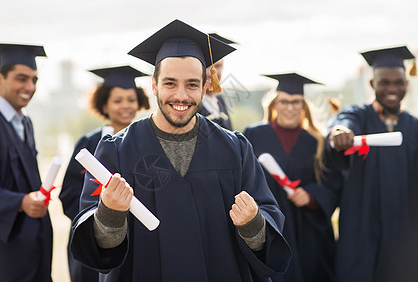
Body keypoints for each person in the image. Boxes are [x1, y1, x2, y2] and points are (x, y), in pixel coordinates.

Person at [70, 19, 292, 282]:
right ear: (153, 85)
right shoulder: (116, 153)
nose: (181, 95)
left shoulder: (235, 150)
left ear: (205, 86)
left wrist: (253, 223)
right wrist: (109, 212)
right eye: (170, 83)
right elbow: (98, 251)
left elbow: (267, 228)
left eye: (192, 84)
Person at [327, 46, 418, 282]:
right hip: (361, 230)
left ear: (406, 84)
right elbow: (343, 122)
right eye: (384, 82)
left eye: (398, 82)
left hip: (403, 235)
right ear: (371, 84)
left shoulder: (414, 127)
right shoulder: (358, 116)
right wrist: (340, 132)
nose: (391, 89)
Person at [244, 73, 342, 282]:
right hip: (269, 224)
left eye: (296, 102)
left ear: (303, 106)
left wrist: (312, 196)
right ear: (274, 104)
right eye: (284, 102)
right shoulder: (253, 135)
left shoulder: (317, 141)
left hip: (307, 231)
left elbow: (333, 182)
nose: (290, 107)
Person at [0, 43, 53, 281]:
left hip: (29, 246)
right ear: (0, 78)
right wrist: (20, 202)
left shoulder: (25, 123)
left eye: (34, 80)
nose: (29, 87)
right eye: (21, 79)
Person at [59, 65, 150, 282]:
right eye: (117, 100)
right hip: (95, 241)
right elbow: (69, 194)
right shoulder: (89, 143)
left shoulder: (146, 144)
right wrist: (97, 220)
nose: (125, 106)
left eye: (130, 99)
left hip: (137, 241)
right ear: (104, 104)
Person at [197, 33, 235, 130]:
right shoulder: (192, 104)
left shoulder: (220, 101)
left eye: (217, 66)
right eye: (206, 66)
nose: (211, 73)